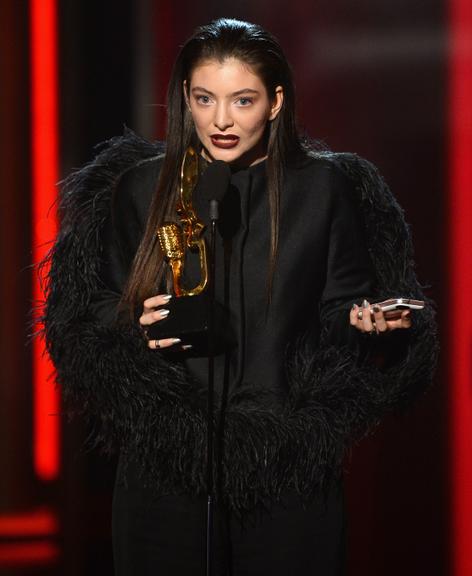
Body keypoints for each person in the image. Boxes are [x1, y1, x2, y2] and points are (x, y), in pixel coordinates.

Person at [42, 18, 437, 576]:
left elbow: (338, 307)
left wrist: (364, 320)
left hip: (285, 469)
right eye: (205, 99)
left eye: (242, 100)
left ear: (276, 103)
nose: (221, 120)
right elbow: (92, 308)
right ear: (185, 97)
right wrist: (133, 319)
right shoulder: (141, 186)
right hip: (168, 465)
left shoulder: (324, 188)